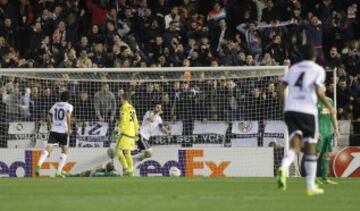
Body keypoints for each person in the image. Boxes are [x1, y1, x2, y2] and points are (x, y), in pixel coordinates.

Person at [277, 44, 336, 196]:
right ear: (315, 56)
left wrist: (284, 106)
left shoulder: (294, 69)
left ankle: (284, 166)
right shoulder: (318, 70)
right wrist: (330, 106)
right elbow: (317, 90)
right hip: (307, 111)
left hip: (290, 110)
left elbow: (281, 88)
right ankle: (310, 187)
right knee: (311, 147)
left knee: (294, 146)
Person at [35, 91, 73, 177]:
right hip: (63, 131)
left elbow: (48, 116)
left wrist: (50, 124)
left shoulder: (55, 105)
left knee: (48, 148)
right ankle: (59, 171)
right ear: (68, 98)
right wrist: (69, 128)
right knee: (64, 150)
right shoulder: (69, 106)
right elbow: (68, 116)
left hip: (54, 129)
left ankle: (39, 164)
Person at [113, 92, 139, 176]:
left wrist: (116, 133)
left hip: (125, 133)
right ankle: (131, 171)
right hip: (132, 133)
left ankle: (125, 168)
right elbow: (136, 121)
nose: (120, 100)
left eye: (120, 98)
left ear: (124, 99)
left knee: (118, 150)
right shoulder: (132, 108)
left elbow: (123, 121)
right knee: (127, 152)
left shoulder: (123, 107)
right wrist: (136, 133)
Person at [316, 94, 339, 185]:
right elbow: (312, 118)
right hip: (319, 132)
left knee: (327, 155)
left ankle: (325, 178)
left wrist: (336, 129)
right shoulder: (314, 100)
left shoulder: (330, 101)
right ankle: (312, 179)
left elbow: (333, 116)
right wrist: (316, 131)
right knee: (316, 154)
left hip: (327, 132)